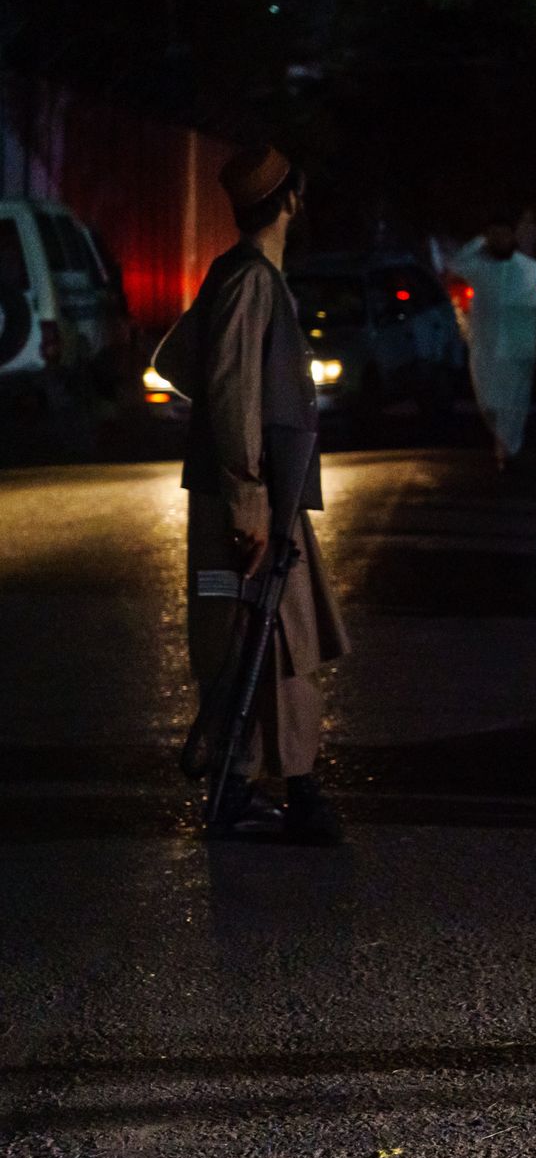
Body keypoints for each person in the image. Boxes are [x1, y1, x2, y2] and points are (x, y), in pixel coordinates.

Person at [177, 145, 352, 843]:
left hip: (255, 493)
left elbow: (182, 360)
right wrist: (246, 494)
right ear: (288, 202)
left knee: (270, 638)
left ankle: (260, 782)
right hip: (250, 499)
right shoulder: (252, 279)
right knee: (262, 640)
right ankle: (265, 787)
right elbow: (226, 386)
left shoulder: (239, 272)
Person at [450, 212, 536, 470]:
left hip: (521, 346)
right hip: (485, 345)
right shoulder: (478, 264)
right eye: (494, 236)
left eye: (504, 234)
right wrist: (479, 240)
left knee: (515, 403)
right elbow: (455, 264)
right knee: (489, 402)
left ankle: (507, 448)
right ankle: (503, 442)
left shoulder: (529, 268)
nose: (500, 240)